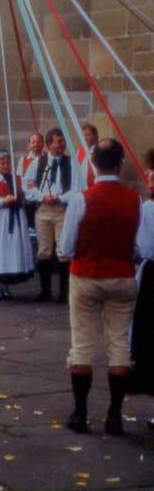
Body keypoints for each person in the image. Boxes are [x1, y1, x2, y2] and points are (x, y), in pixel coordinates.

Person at [59, 138, 139, 435]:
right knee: (119, 345)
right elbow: (142, 247)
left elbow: (67, 247)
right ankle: (114, 416)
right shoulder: (135, 200)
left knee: (81, 343)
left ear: (94, 163)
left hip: (86, 276)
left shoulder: (81, 199)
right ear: (120, 164)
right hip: (122, 277)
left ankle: (80, 414)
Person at [26, 127, 80, 303]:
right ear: (49, 144)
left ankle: (64, 293)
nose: (62, 145)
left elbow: (76, 188)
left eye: (63, 141)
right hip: (43, 210)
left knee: (63, 251)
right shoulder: (38, 163)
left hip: (62, 210)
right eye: (58, 141)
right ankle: (45, 290)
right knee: (44, 250)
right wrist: (43, 196)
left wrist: (60, 197)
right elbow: (28, 186)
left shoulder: (71, 163)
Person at [0, 150, 34, 300]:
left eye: (7, 163)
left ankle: (6, 283)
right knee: (0, 249)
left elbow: (28, 193)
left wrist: (27, 194)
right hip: (0, 220)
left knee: (10, 250)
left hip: (16, 218)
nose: (5, 166)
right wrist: (3, 201)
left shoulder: (18, 179)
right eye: (2, 163)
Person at [130, 161, 154, 408]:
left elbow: (143, 246)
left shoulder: (148, 208)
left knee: (149, 340)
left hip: (152, 278)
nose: (148, 181)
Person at [17, 132, 45, 235]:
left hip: (43, 200)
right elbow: (19, 178)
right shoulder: (23, 160)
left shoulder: (47, 159)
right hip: (28, 201)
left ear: (43, 144)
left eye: (38, 142)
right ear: (29, 144)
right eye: (33, 142)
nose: (35, 145)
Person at [77, 122, 99, 190]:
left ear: (95, 136)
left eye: (87, 135)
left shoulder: (101, 150)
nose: (84, 138)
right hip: (81, 190)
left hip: (95, 189)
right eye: (83, 135)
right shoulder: (79, 151)